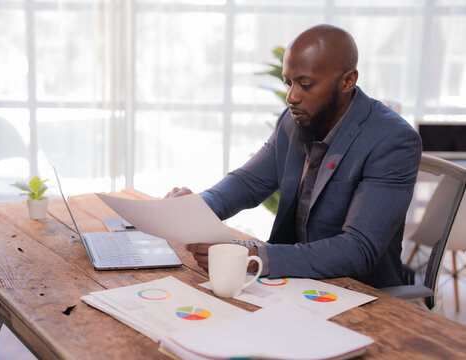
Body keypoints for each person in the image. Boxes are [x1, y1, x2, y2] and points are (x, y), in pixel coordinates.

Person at [165, 24, 422, 288]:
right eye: (288, 82)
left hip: (358, 292)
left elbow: (358, 249)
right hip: (293, 282)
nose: (292, 97)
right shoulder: (293, 122)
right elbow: (247, 183)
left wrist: (257, 257)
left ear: (348, 81)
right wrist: (195, 209)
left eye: (305, 84)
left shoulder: (392, 139)